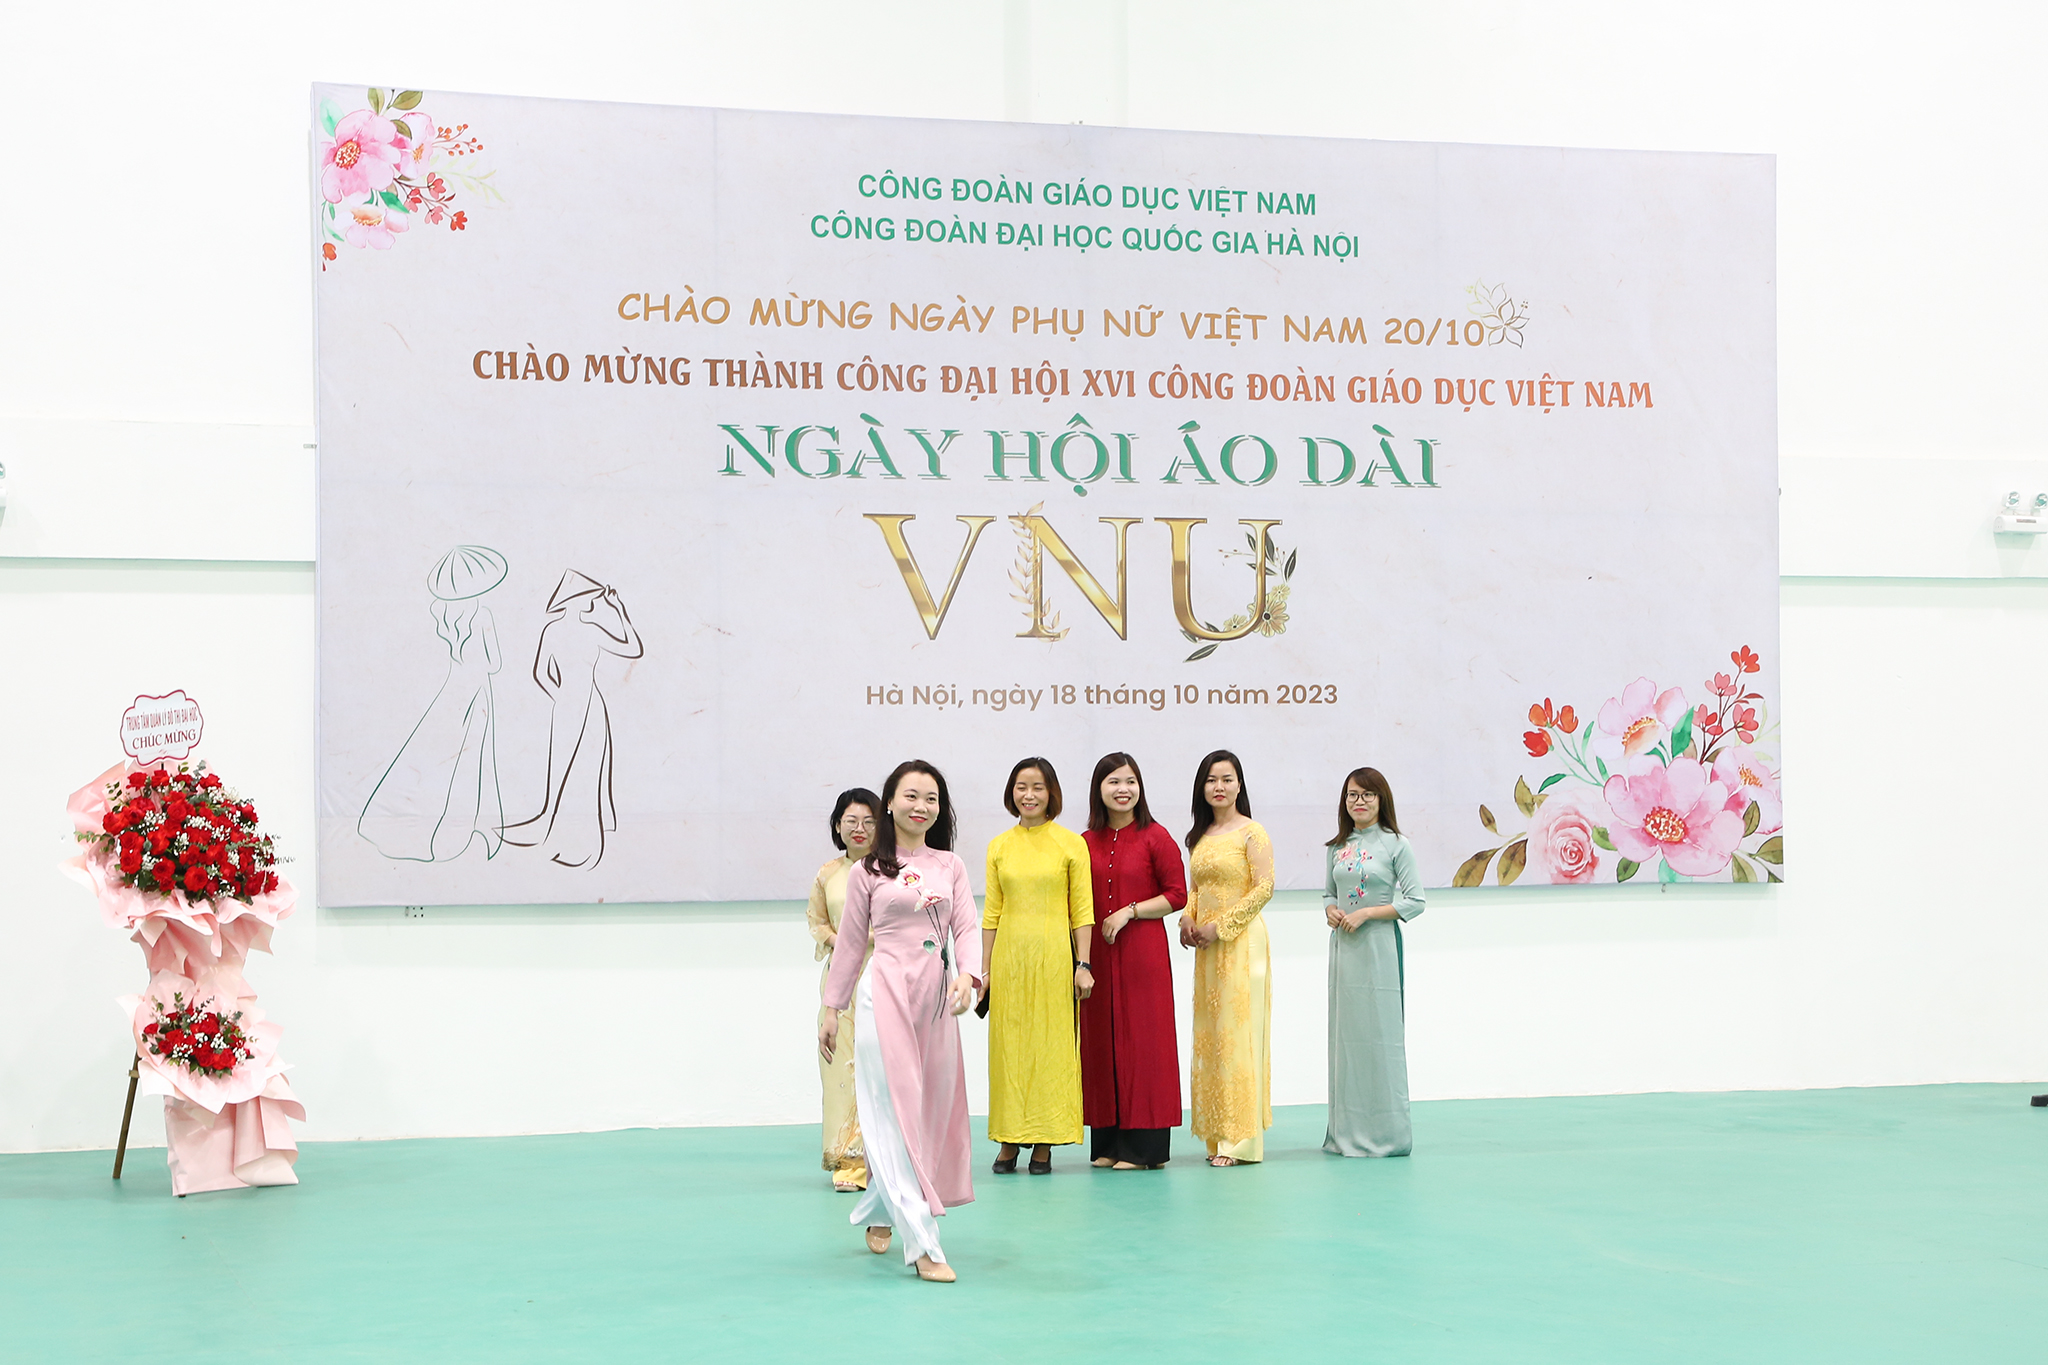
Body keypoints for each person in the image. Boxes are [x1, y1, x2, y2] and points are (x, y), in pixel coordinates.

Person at [820, 761, 983, 1283]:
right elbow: (850, 946)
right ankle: (924, 1245)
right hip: (883, 996)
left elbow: (967, 928)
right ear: (889, 803)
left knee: (925, 1112)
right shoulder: (868, 871)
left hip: (935, 1004)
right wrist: (831, 1007)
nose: (921, 806)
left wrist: (969, 976)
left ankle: (881, 1201)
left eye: (931, 798)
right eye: (911, 796)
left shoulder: (950, 866)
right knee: (894, 1110)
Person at [982, 757, 1094, 1175]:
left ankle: (1044, 1143)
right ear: (1011, 792)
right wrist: (985, 971)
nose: (1028, 795)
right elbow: (992, 913)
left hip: (1053, 960)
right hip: (1009, 960)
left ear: (1051, 794)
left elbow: (1082, 910)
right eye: (1021, 787)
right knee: (1009, 1050)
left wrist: (1083, 963)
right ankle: (1009, 1139)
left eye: (1038, 788)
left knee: (1050, 1048)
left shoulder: (1071, 844)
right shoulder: (998, 846)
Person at [1079, 752, 1187, 1170]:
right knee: (1102, 1042)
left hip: (1143, 955)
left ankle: (1144, 1150)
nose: (1123, 790)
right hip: (1098, 956)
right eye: (1113, 782)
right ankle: (1108, 1143)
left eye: (1130, 782)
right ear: (1099, 789)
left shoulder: (1156, 837)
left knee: (1144, 1044)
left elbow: (1177, 894)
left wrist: (1131, 911)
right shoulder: (1085, 842)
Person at [1322, 767, 1425, 1158]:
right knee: (1347, 1041)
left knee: (1380, 1038)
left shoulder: (1397, 844)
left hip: (1379, 948)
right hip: (1344, 950)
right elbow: (1328, 894)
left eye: (1367, 795)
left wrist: (1367, 913)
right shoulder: (1337, 846)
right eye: (1352, 795)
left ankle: (1388, 1134)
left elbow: (1415, 901)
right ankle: (1345, 1133)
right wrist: (1331, 910)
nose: (1359, 802)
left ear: (1382, 800)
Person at [1180, 749, 1274, 1167]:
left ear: (1239, 785)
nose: (1219, 787)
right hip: (1207, 948)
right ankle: (1217, 1135)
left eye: (1226, 779)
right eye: (1211, 780)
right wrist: (1187, 918)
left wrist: (1221, 926)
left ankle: (1241, 1142)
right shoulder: (1200, 837)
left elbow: (1264, 887)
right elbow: (1195, 890)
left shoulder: (1252, 832)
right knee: (1213, 1039)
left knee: (1239, 1038)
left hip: (1242, 944)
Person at [806, 788, 882, 1191]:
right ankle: (849, 1161)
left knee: (882, 1067)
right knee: (841, 1068)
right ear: (837, 826)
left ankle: (885, 1160)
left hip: (883, 977)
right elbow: (817, 922)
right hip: (841, 982)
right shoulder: (828, 874)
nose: (859, 829)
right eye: (851, 821)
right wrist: (843, 941)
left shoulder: (893, 871)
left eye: (869, 821)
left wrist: (869, 938)